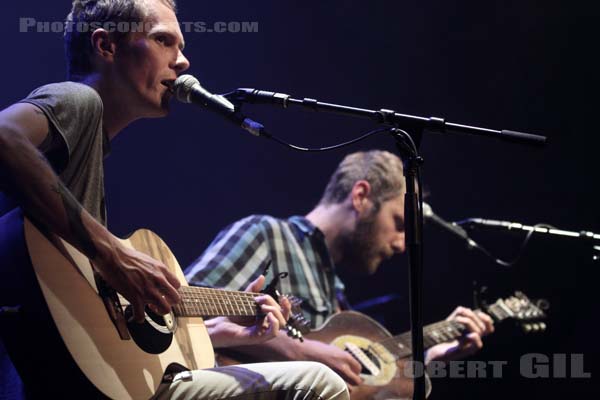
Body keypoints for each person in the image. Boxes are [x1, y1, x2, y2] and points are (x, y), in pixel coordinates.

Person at [0, 1, 348, 399]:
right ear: (106, 46)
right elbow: (4, 134)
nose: (183, 62)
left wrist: (221, 332)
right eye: (163, 41)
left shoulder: (89, 148)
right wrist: (112, 253)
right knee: (319, 383)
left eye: (181, 47)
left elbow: (98, 320)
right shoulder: (79, 100)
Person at [185, 150, 495, 388]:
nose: (402, 244)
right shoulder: (267, 234)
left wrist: (428, 360)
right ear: (361, 196)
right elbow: (174, 310)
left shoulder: (335, 291)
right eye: (399, 223)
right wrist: (301, 352)